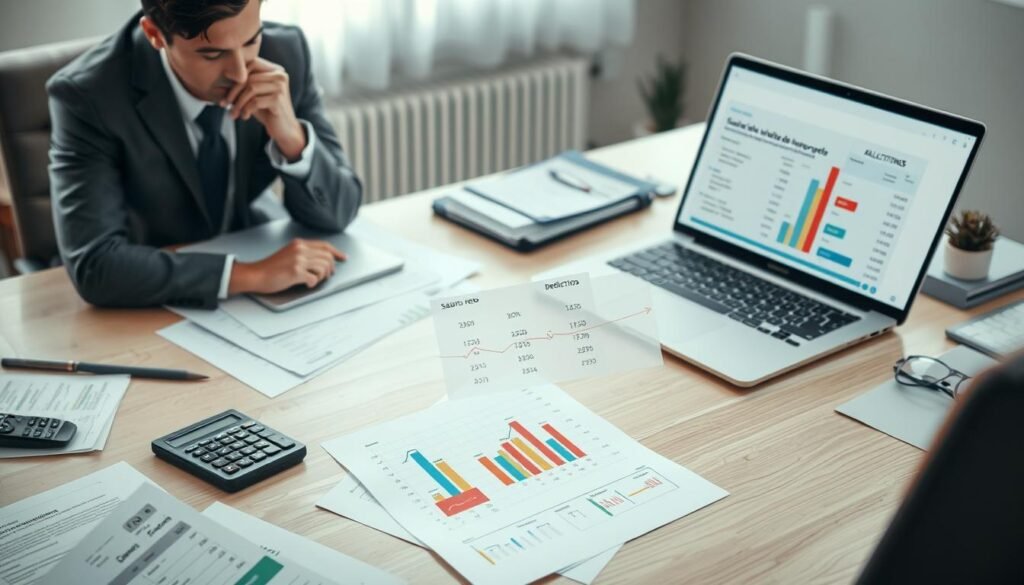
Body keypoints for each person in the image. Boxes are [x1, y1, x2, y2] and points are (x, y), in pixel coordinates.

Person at [47, 0, 362, 309]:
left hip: (249, 249)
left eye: (251, 41)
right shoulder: (88, 96)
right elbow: (96, 265)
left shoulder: (285, 54)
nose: (240, 74)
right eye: (213, 54)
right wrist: (249, 275)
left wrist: (291, 136)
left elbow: (340, 213)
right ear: (155, 34)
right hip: (146, 291)